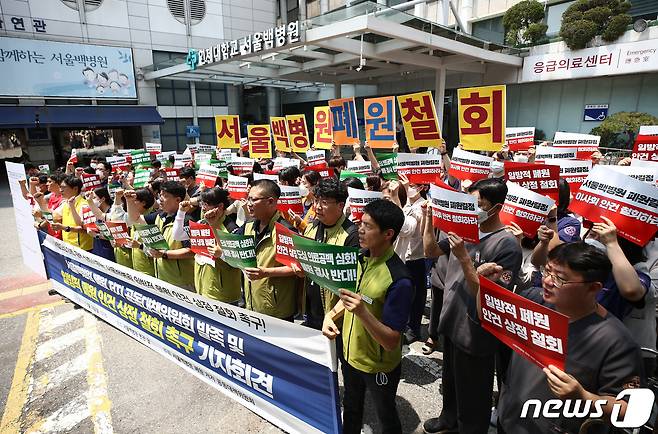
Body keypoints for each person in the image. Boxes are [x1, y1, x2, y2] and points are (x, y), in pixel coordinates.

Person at [485, 242, 644, 434]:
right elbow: (486, 316)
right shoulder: (534, 302)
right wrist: (485, 286)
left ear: (593, 288)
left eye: (560, 278)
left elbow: (629, 409)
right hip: (509, 421)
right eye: (547, 271)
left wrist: (584, 398)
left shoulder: (617, 342)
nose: (548, 281)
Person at [422, 177, 522, 434]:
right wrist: (429, 220)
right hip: (453, 319)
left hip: (477, 330)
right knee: (452, 380)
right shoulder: (467, 229)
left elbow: (493, 298)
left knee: (473, 392)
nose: (473, 209)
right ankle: (448, 418)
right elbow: (431, 251)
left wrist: (466, 260)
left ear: (497, 207)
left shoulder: (506, 245)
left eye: (480, 204)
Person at [322, 199, 413, 434]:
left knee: (386, 417)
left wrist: (362, 311)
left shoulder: (399, 278)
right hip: (351, 356)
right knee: (351, 408)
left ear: (388, 234)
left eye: (368, 226)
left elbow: (392, 340)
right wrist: (331, 316)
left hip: (379, 365)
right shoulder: (360, 258)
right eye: (360, 223)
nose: (360, 230)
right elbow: (349, 299)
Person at [295, 178, 359, 329]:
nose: (317, 207)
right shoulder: (312, 227)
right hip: (311, 309)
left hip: (336, 316)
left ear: (340, 205)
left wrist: (333, 315)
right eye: (316, 201)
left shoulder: (352, 235)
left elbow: (353, 285)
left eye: (324, 202)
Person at [239, 179, 300, 320]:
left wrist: (265, 272)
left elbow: (298, 267)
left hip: (277, 310)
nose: (249, 204)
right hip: (252, 305)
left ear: (271, 201)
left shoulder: (286, 231)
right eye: (248, 199)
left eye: (254, 200)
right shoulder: (248, 226)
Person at [173, 187, 242, 304]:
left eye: (207, 204)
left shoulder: (232, 229)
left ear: (220, 206)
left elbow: (239, 261)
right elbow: (178, 235)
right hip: (202, 289)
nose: (203, 208)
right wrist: (181, 212)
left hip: (223, 296)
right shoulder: (201, 223)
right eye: (202, 204)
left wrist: (222, 254)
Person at [127, 181, 195, 290]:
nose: (161, 199)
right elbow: (135, 219)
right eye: (160, 195)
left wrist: (164, 254)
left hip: (182, 282)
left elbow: (191, 251)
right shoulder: (159, 216)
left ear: (177, 200)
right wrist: (129, 201)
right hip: (162, 277)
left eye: (165, 196)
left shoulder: (187, 220)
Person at [50, 176, 94, 251]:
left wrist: (63, 228)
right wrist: (40, 202)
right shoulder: (65, 203)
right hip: (68, 247)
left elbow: (85, 229)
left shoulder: (84, 205)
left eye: (64, 187)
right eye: (60, 187)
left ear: (75, 189)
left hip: (82, 249)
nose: (61, 190)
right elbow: (54, 216)